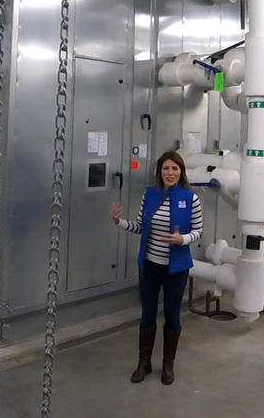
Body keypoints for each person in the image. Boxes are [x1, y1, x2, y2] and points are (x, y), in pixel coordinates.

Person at [110, 151, 203, 385]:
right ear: (159, 172)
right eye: (165, 168)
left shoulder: (191, 198)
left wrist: (182, 239)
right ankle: (144, 362)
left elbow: (198, 231)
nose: (170, 173)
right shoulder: (150, 194)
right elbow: (141, 226)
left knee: (172, 316)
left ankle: (168, 363)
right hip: (150, 267)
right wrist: (119, 222)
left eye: (174, 169)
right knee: (147, 315)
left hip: (176, 269)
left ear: (181, 172)